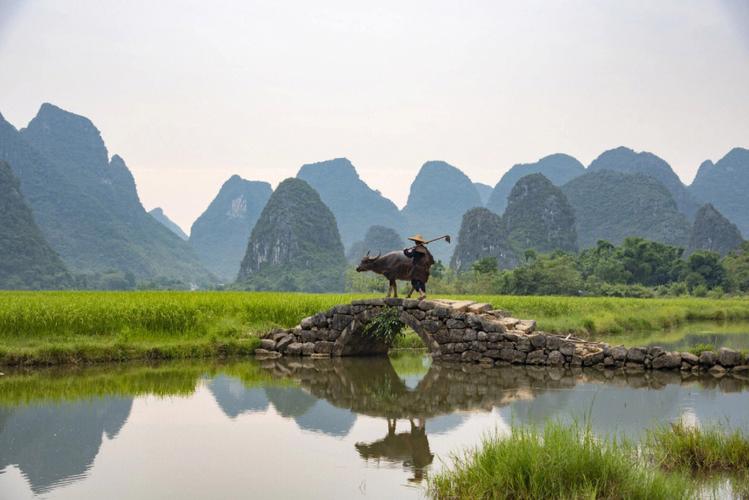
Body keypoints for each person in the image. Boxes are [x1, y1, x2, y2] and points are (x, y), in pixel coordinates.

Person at [403, 234, 435, 300]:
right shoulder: (425, 250)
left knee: (414, 281)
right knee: (421, 282)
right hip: (425, 269)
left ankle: (422, 293)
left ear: (416, 241)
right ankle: (423, 297)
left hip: (417, 269)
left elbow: (409, 255)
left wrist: (405, 251)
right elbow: (432, 260)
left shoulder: (416, 249)